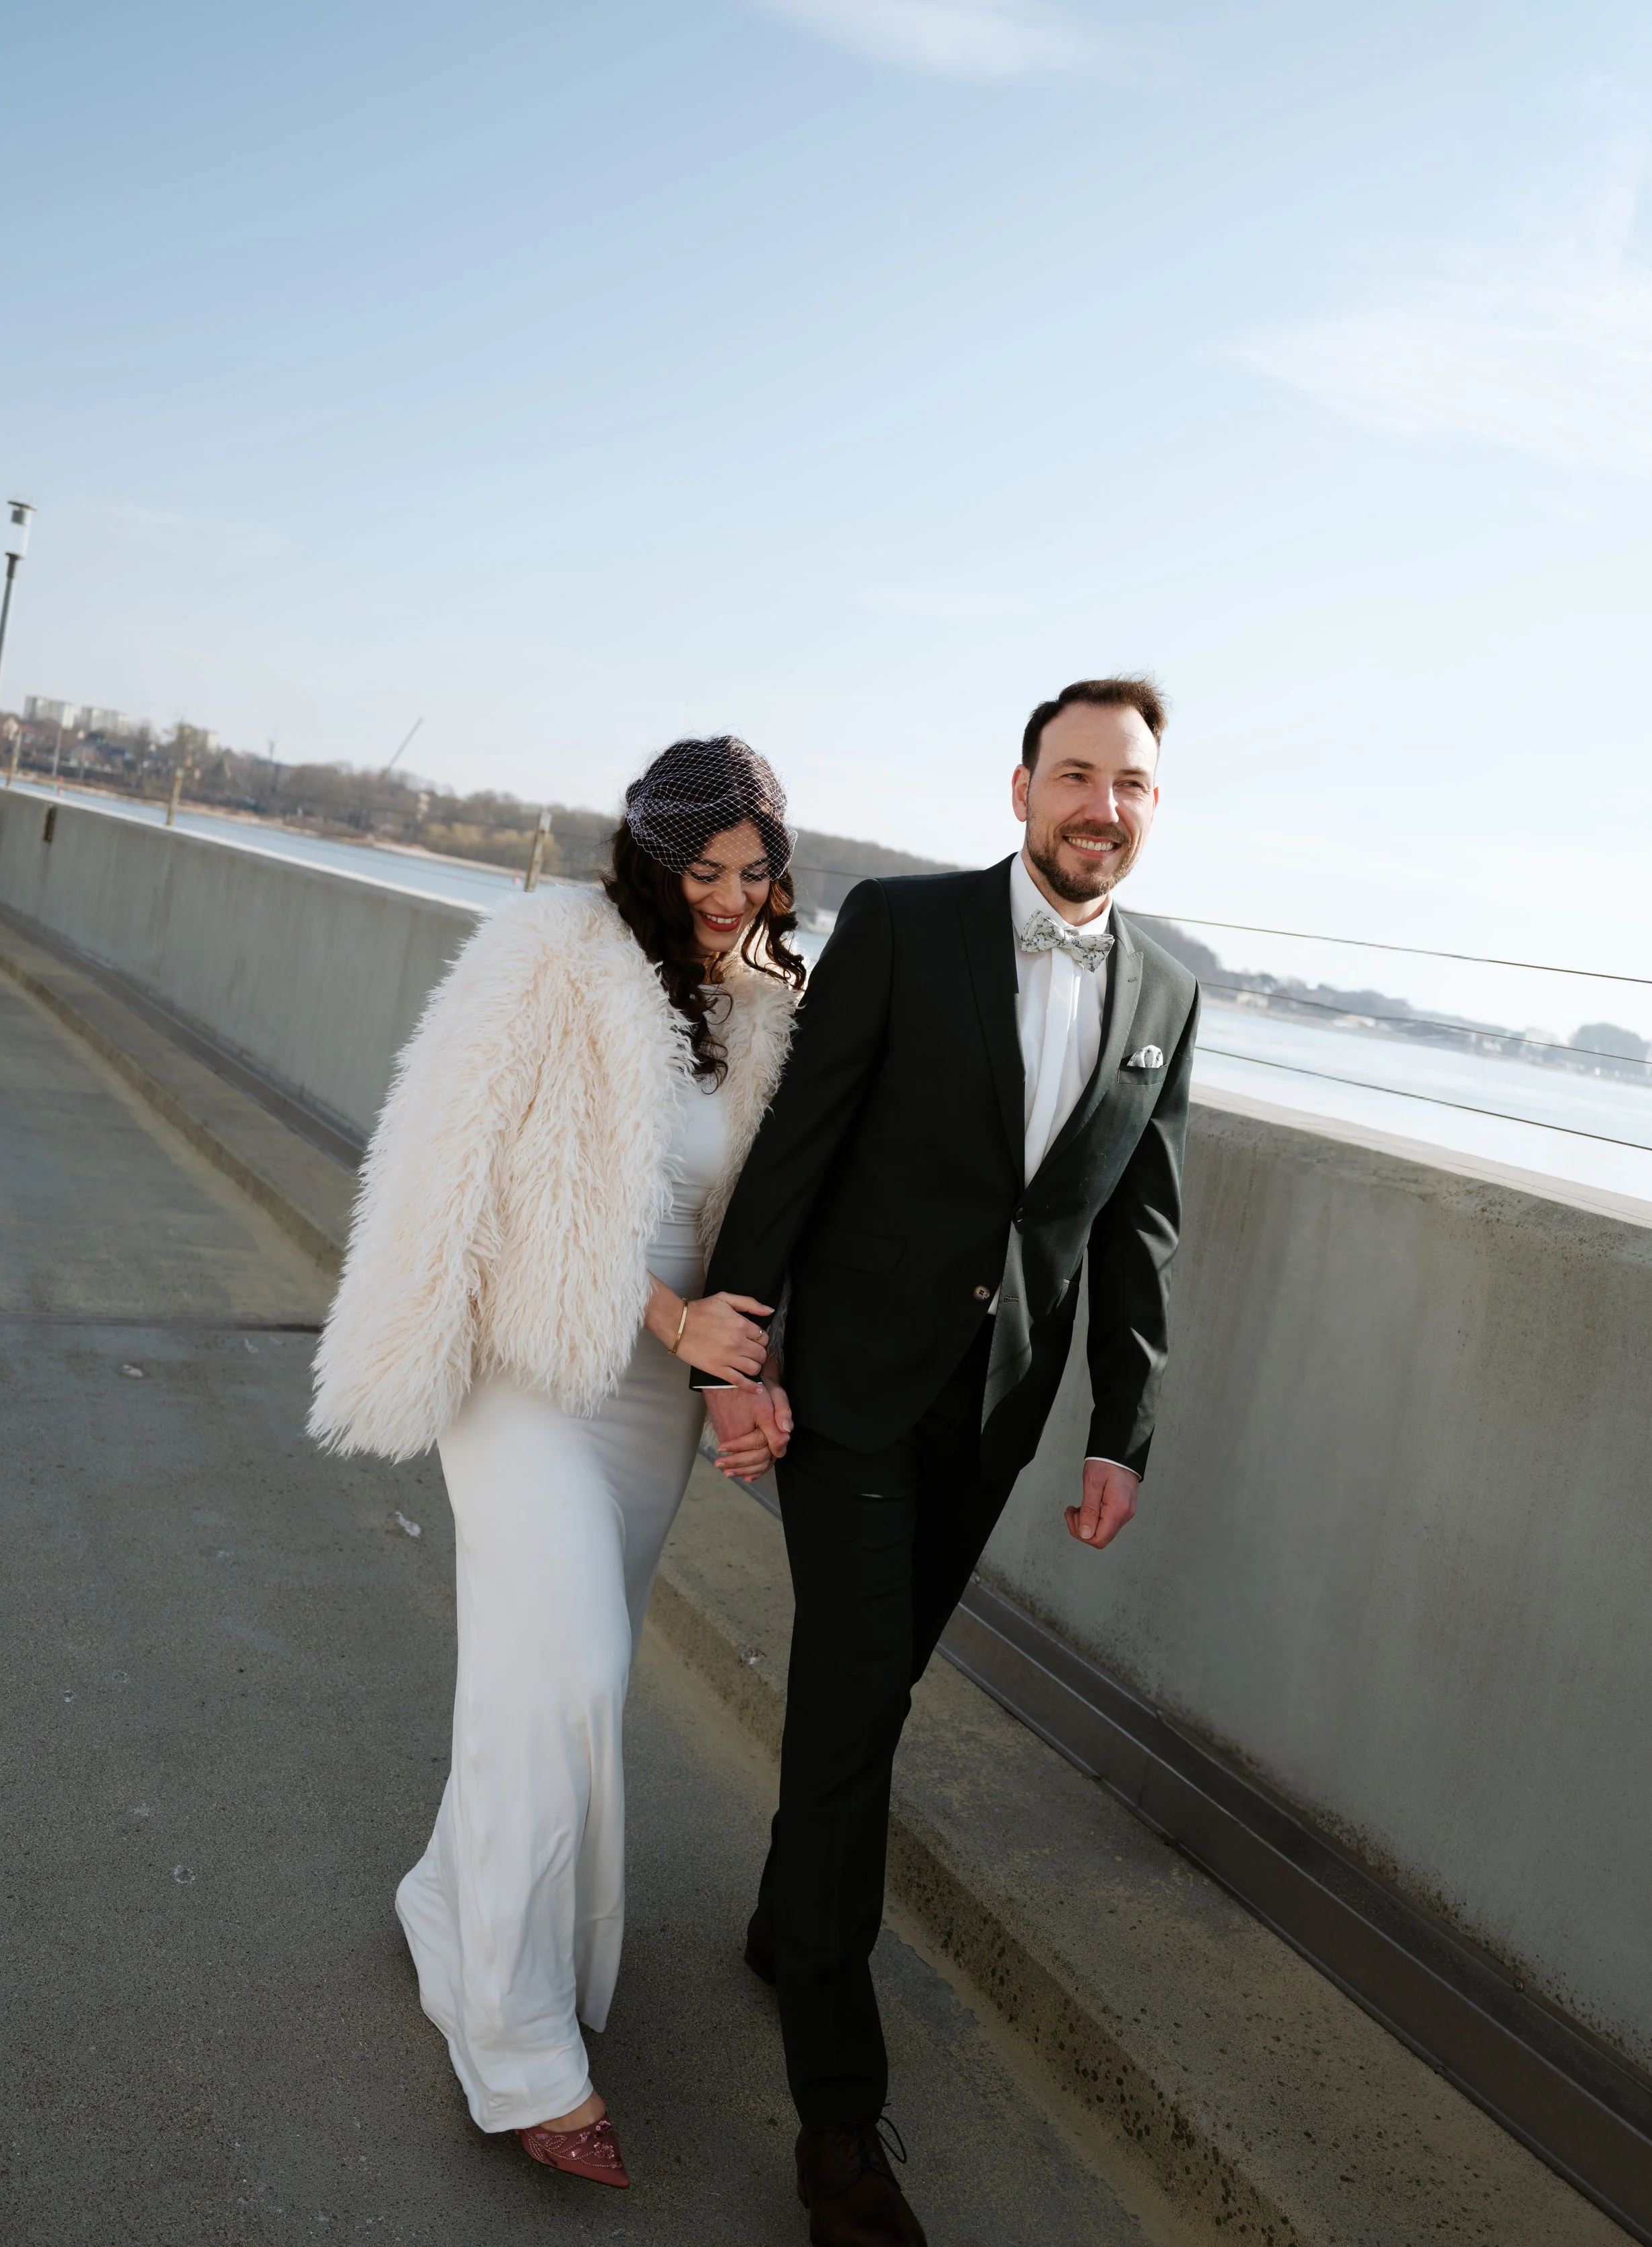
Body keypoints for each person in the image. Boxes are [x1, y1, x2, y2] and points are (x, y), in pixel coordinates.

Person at [697, 677, 1200, 2247]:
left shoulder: (1170, 991)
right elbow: (803, 1144)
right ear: (1018, 789)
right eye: (1071, 774)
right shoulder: (906, 927)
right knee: (854, 1722)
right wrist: (733, 1355)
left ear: (1148, 807)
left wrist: (1121, 1427)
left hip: (991, 1416)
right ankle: (839, 2126)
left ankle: (790, 1913)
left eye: (1123, 782)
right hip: (845, 1391)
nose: (1094, 805)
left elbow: (1137, 1223)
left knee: (877, 1686)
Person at [309, 737, 803, 2191]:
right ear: (644, 857)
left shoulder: (768, 998)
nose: (727, 896)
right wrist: (664, 1313)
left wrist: (734, 1373)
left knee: (539, 1678)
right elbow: (464, 1169)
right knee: (572, 1670)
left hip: (650, 1399)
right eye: (700, 870)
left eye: (754, 870)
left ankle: (446, 1902)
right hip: (527, 1361)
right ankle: (518, 2042)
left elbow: (757, 1215)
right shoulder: (546, 952)